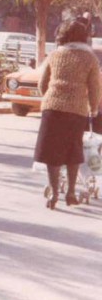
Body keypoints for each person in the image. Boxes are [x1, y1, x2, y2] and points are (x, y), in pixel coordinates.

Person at [35, 18, 102, 209]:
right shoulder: (89, 58)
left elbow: (42, 84)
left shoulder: (54, 55)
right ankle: (71, 192)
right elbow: (95, 88)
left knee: (52, 152)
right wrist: (93, 108)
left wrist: (50, 98)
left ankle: (54, 192)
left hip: (52, 108)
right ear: (84, 37)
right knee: (73, 150)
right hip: (76, 110)